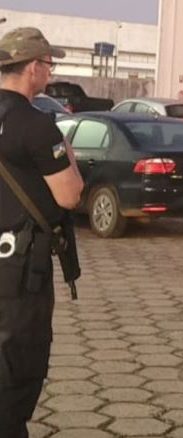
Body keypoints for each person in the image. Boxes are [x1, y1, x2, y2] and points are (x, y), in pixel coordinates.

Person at [0, 27, 83, 438]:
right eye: (49, 65)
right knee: (18, 370)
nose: (50, 73)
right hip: (18, 271)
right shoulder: (37, 125)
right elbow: (70, 195)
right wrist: (67, 152)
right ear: (33, 67)